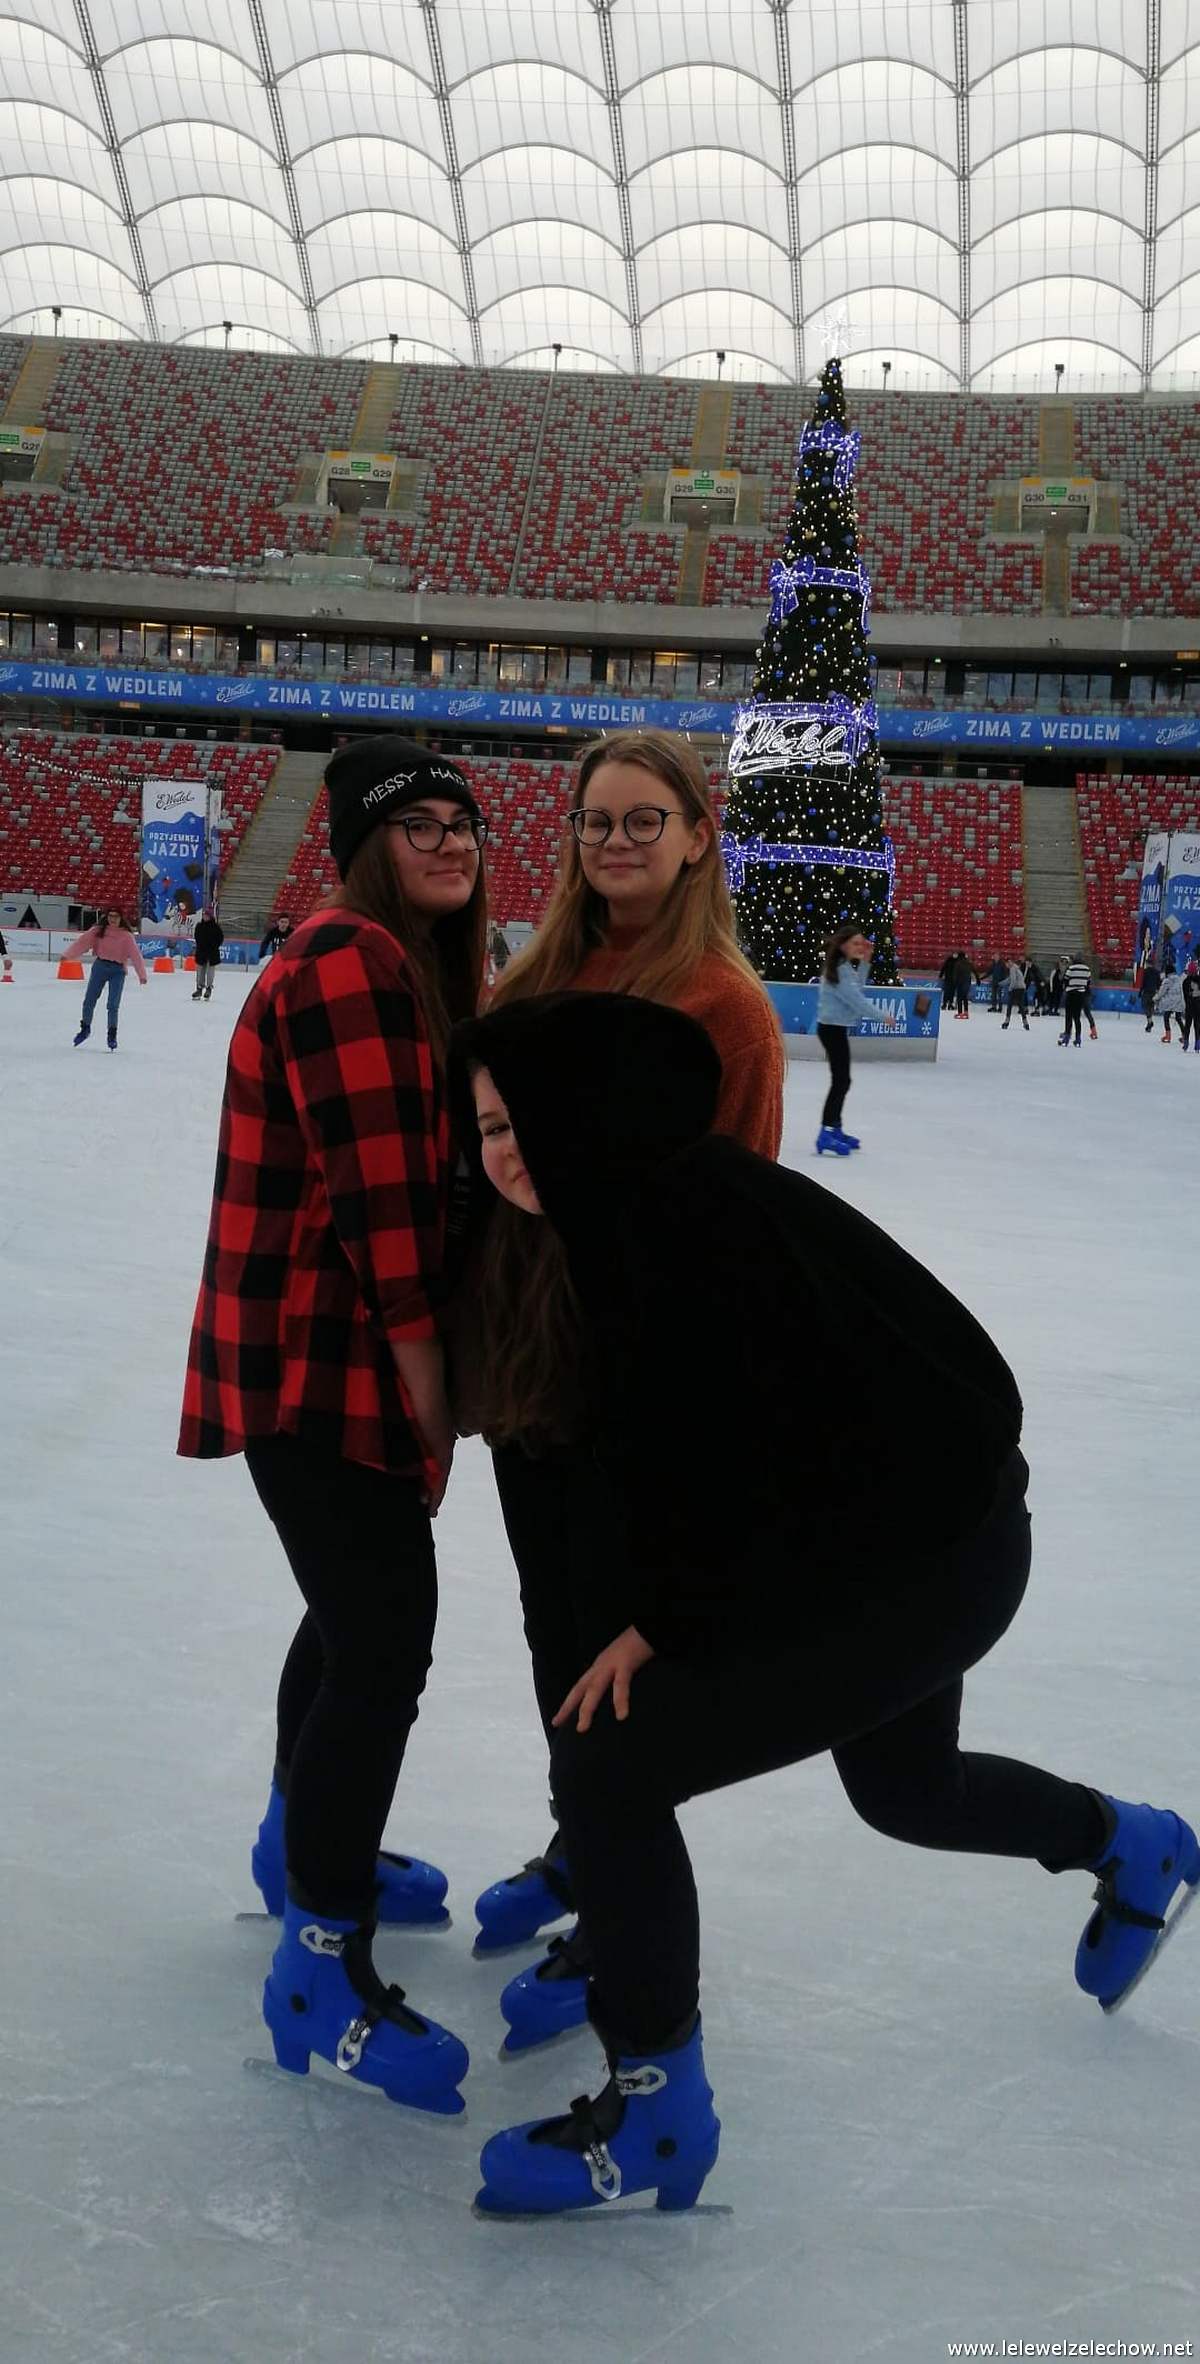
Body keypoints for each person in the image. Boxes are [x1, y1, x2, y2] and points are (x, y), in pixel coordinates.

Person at [451, 993, 1198, 2218]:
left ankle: (657, 2112)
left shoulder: (701, 1218)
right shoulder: (535, 1251)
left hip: (935, 1552)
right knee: (902, 1789)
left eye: (522, 1119)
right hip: (833, 1555)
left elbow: (810, 1450)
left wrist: (668, 1623)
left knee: (616, 1770)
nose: (507, 1152)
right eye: (486, 1129)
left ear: (586, 1109)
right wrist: (586, 1694)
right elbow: (557, 1539)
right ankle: (1134, 1844)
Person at [179, 736, 490, 2114]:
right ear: (365, 846)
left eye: (462, 822)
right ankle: (318, 1966)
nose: (449, 840)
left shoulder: (397, 963)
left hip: (317, 1352)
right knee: (383, 1638)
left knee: (348, 1616)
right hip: (324, 1358)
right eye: (417, 824)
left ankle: (298, 1848)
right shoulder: (352, 961)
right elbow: (385, 1202)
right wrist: (433, 1389)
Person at [462, 728, 784, 2039]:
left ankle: (613, 1907)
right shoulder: (539, 969)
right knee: (556, 1630)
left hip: (633, 1374)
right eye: (596, 820)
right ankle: (579, 1845)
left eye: (645, 819)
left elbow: (740, 1219)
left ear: (698, 835)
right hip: (527, 1355)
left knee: (614, 1661)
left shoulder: (722, 1005)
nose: (616, 841)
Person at [815, 924, 898, 1155]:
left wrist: (865, 962)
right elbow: (858, 1002)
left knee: (842, 1080)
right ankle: (826, 1133)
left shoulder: (843, 968)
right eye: (855, 943)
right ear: (843, 945)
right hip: (832, 1030)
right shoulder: (839, 971)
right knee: (841, 1081)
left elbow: (857, 990)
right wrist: (883, 1017)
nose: (860, 947)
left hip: (836, 1029)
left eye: (861, 943)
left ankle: (834, 1128)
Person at [65, 905, 148, 1050]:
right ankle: (85, 1028)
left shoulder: (126, 936)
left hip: (118, 971)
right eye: (110, 916)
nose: (113, 919)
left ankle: (112, 1035)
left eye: (116, 916)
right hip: (100, 967)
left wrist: (142, 974)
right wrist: (68, 955)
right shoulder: (98, 931)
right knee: (89, 1000)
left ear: (121, 918)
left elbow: (136, 955)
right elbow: (82, 943)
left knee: (113, 1005)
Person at [192, 906, 224, 1000]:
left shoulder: (216, 927)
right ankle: (199, 989)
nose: (204, 917)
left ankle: (208, 989)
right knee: (200, 972)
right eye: (204, 915)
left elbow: (220, 938)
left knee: (210, 973)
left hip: (212, 953)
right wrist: (200, 946)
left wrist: (214, 946)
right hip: (201, 953)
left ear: (210, 917)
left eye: (206, 915)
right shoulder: (199, 926)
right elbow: (197, 937)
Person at [1060, 955, 1092, 1047]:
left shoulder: (1071, 968)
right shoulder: (1087, 969)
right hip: (1081, 994)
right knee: (1077, 1018)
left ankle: (1066, 1037)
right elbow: (1088, 983)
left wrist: (1067, 988)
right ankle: (1078, 1038)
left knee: (1069, 1016)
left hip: (1071, 993)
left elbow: (1065, 980)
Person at [1154, 965, 1188, 1046]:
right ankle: (1185, 1036)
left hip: (1170, 1002)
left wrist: (1156, 998)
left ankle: (1168, 1036)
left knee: (1166, 1017)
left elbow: (1162, 991)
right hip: (1179, 1001)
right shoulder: (1178, 979)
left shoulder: (1167, 980)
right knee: (1178, 1018)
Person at [1001, 956, 1030, 1032]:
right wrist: (1001, 983)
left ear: (1009, 963)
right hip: (1021, 988)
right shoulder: (1016, 968)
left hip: (1016, 989)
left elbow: (1013, 980)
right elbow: (1010, 979)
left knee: (1009, 1005)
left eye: (1006, 964)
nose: (1006, 966)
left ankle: (1006, 1021)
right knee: (1021, 1006)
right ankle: (1025, 1023)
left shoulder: (1012, 968)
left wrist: (1010, 989)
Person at [1140, 957, 1163, 1034]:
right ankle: (1149, 1022)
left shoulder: (1146, 971)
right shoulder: (1157, 972)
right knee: (1150, 1006)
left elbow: (1143, 982)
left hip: (1147, 991)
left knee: (1145, 1006)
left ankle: (1150, 1022)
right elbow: (1159, 982)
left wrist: (1140, 991)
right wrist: (1158, 990)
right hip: (1153, 991)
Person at [1181, 962, 1200, 1052]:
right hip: (1198, 1006)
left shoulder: (1185, 982)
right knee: (1197, 1025)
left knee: (1187, 1025)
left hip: (1189, 1006)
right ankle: (1197, 1043)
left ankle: (1186, 1042)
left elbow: (1185, 996)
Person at [952, 949, 975, 1019]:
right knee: (965, 997)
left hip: (960, 983)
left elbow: (955, 974)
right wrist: (978, 979)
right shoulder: (969, 963)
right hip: (967, 982)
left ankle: (960, 1012)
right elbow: (974, 971)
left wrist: (954, 983)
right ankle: (966, 1012)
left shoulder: (958, 963)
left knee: (959, 998)